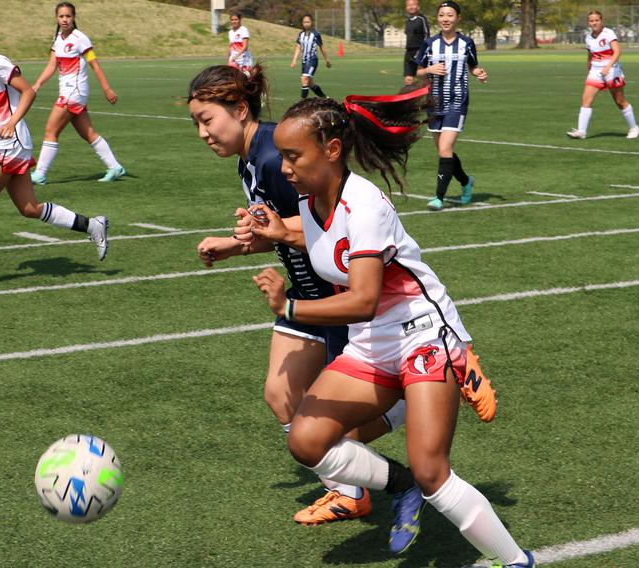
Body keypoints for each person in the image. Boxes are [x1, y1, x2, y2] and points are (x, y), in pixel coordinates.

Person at [249, 89, 536, 567]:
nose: (284, 167)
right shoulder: (309, 199)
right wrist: (274, 234)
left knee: (433, 472)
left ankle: (517, 563)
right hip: (372, 342)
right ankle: (399, 486)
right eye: (282, 156)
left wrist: (289, 307)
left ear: (332, 151)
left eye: (294, 155)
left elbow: (361, 300)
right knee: (306, 440)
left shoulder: (365, 204)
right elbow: (325, 244)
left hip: (422, 335)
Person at [186, 65, 424, 552]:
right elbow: (280, 229)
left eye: (208, 119)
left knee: (336, 420)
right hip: (302, 291)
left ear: (239, 110)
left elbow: (320, 226)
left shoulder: (276, 158)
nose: (204, 133)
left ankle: (382, 453)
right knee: (280, 395)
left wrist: (259, 243)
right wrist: (233, 246)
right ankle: (348, 488)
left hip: (331, 296)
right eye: (196, 123)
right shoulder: (250, 159)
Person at [0, 10, 107, 285]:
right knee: (30, 208)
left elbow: (28, 91)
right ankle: (93, 225)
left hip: (11, 141)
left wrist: (12, 121)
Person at [29, 2, 125, 185]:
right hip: (71, 92)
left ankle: (40, 174)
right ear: (56, 18)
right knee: (88, 133)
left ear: (74, 17)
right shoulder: (57, 38)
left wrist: (106, 88)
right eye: (61, 16)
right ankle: (115, 167)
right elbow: (52, 65)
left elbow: (94, 63)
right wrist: (38, 84)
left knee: (51, 130)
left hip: (73, 92)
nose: (65, 20)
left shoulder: (80, 38)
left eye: (68, 16)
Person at [414, 1, 485, 211]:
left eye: (450, 15)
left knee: (445, 148)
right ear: (438, 19)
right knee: (444, 152)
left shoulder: (467, 43)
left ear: (458, 18)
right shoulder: (429, 44)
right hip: (434, 103)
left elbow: (473, 66)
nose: (446, 18)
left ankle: (438, 198)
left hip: (457, 101)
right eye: (442, 15)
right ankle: (465, 181)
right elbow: (417, 71)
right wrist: (429, 70)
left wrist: (479, 73)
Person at [566, 10, 639, 140]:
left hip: (612, 71)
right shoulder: (588, 37)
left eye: (596, 20)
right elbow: (590, 55)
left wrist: (608, 66)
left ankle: (634, 128)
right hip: (595, 71)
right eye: (591, 21)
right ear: (588, 23)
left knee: (620, 101)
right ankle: (582, 131)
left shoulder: (608, 33)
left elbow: (617, 51)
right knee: (586, 99)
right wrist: (589, 67)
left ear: (601, 21)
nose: (594, 23)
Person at [291, 15, 331, 99]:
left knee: (304, 79)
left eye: (308, 22)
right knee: (310, 84)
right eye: (304, 22)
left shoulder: (316, 34)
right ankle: (325, 98)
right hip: (304, 62)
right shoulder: (301, 34)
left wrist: (327, 60)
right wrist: (294, 61)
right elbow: (298, 47)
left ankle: (301, 101)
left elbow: (322, 47)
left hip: (312, 60)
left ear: (311, 22)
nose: (306, 24)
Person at [403, 0, 430, 86]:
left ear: (418, 7)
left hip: (419, 51)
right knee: (408, 80)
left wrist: (422, 50)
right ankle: (410, 99)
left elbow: (427, 35)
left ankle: (429, 97)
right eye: (408, 5)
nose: (411, 7)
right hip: (409, 52)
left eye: (413, 5)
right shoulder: (407, 21)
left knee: (423, 78)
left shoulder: (422, 19)